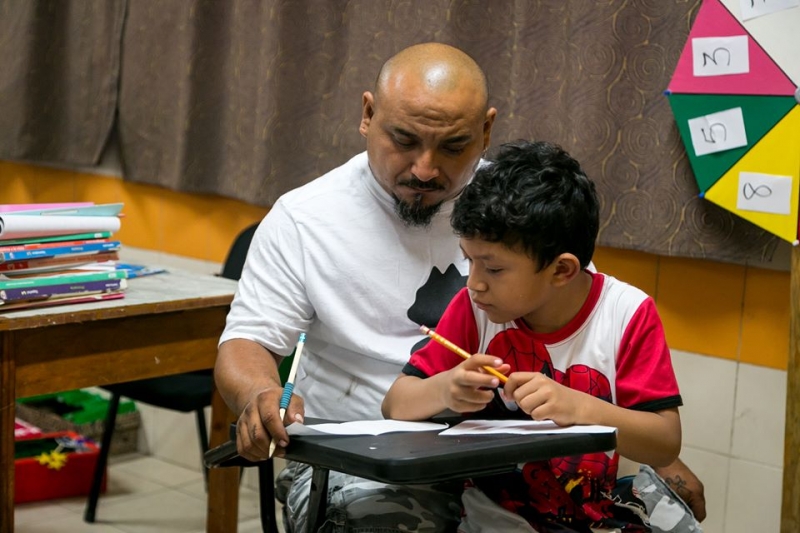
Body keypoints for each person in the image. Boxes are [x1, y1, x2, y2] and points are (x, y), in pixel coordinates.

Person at [215, 43, 705, 532]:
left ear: (486, 131)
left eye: (453, 147)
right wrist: (261, 391)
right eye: (404, 139)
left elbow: (577, 318)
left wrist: (650, 452)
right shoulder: (305, 218)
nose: (426, 169)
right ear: (368, 115)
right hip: (363, 455)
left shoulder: (512, 202)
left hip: (507, 457)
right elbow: (246, 341)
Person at [382, 139, 697, 532]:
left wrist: (580, 409)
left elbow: (664, 442)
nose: (475, 283)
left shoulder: (627, 314)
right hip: (493, 520)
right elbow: (395, 405)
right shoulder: (473, 309)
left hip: (597, 518)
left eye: (493, 269)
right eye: (469, 260)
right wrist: (446, 389)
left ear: (562, 270)